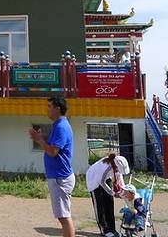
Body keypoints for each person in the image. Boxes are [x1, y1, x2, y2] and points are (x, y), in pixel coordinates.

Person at [29, 97, 75, 237]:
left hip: (60, 178)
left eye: (50, 106)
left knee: (64, 217)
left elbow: (53, 151)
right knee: (63, 216)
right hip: (58, 177)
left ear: (57, 109)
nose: (47, 109)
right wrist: (41, 139)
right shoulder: (58, 125)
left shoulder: (61, 127)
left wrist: (39, 140)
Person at [86, 154, 130, 237]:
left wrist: (124, 191)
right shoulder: (106, 168)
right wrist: (113, 193)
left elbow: (119, 178)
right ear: (115, 166)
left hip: (105, 178)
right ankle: (105, 230)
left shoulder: (116, 166)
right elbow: (101, 182)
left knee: (109, 202)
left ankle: (112, 229)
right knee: (100, 205)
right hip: (94, 180)